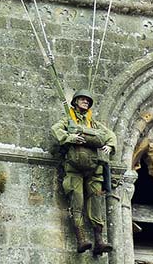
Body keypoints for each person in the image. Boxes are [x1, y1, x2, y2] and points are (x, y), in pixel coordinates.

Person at [51, 89, 116, 255]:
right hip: (74, 170)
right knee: (77, 202)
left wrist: (110, 146)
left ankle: (99, 240)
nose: (85, 102)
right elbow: (56, 130)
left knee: (96, 203)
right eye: (82, 99)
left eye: (88, 100)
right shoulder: (68, 120)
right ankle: (81, 239)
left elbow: (110, 135)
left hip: (94, 170)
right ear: (75, 102)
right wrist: (70, 138)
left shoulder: (92, 123)